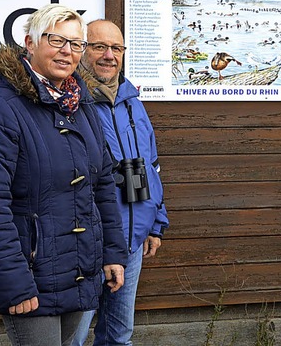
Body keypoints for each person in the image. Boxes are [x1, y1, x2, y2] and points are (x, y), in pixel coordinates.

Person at [0, 4, 127, 346]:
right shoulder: (6, 106)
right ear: (30, 42)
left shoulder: (81, 104)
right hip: (32, 277)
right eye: (56, 40)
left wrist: (113, 253)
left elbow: (101, 186)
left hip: (79, 271)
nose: (67, 51)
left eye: (76, 43)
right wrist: (13, 279)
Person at [72, 19, 169, 346]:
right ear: (83, 50)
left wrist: (156, 222)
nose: (109, 55)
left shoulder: (133, 104)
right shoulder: (71, 102)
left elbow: (150, 167)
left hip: (131, 243)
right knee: (72, 337)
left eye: (116, 48)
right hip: (84, 243)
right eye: (99, 46)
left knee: (118, 336)